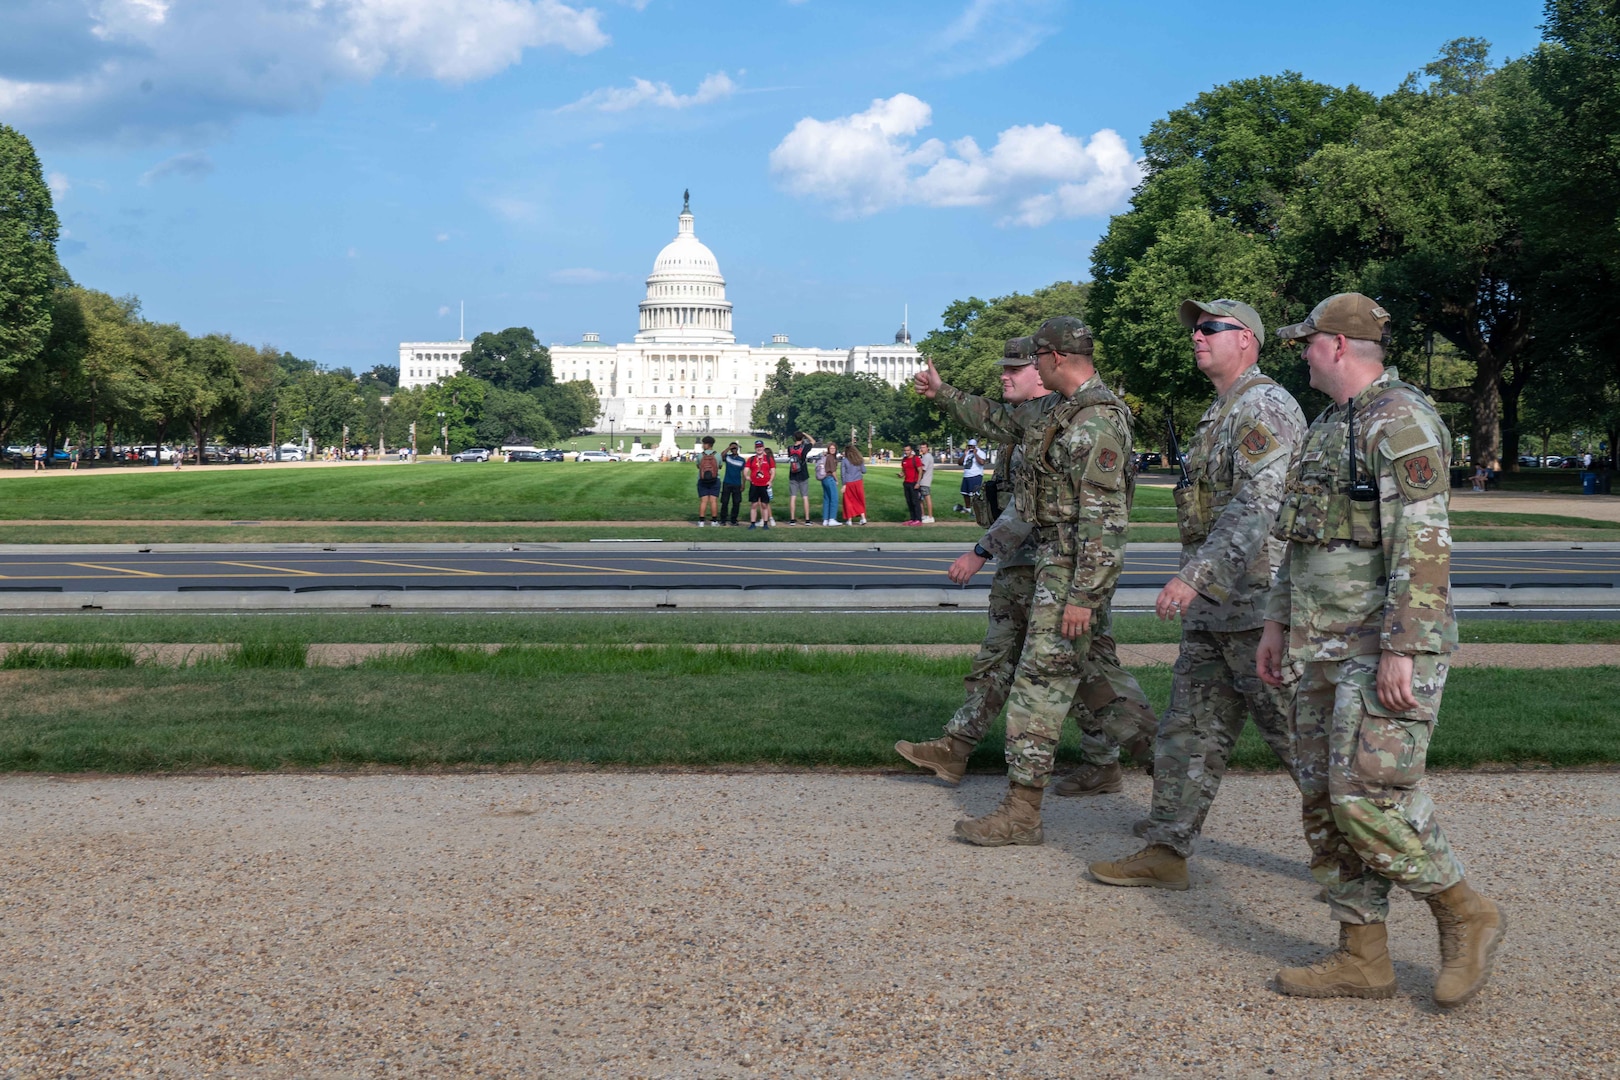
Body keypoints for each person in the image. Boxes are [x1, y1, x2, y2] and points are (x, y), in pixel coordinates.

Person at [1256, 293, 1504, 1008]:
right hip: (1319, 644)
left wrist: (1405, 648)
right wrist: (1278, 624)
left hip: (1382, 644)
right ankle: (1361, 956)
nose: (1301, 352)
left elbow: (1423, 542)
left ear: (1337, 345)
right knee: (1325, 806)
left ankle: (1464, 909)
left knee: (1367, 798)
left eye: (1308, 342)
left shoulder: (1401, 420)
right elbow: (1300, 541)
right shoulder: (1332, 424)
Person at [1088, 298, 1306, 893]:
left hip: (1260, 610)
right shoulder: (1221, 412)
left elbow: (1259, 503)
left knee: (1300, 741)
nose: (1198, 337)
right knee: (1187, 730)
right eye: (1196, 329)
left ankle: (1359, 857)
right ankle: (1166, 847)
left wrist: (1196, 574)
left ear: (1248, 342)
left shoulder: (1264, 406)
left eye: (1212, 329)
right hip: (1219, 611)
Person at [914, 316, 1140, 846]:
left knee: (1040, 688)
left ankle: (1025, 811)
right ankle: (1174, 764)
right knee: (1095, 683)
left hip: (1068, 573)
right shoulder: (1056, 411)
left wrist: (1083, 595)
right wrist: (944, 392)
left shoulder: (1095, 421)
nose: (1029, 366)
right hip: (1053, 568)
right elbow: (994, 418)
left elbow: (1105, 520)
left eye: (1034, 356)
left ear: (1055, 358)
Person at [746, 439, 775, 529]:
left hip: (764, 485)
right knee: (754, 504)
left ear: (763, 447)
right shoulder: (751, 459)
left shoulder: (768, 459)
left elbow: (773, 471)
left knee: (764, 504)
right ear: (755, 448)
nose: (759, 448)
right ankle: (752, 523)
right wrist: (746, 476)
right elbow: (746, 469)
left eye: (760, 447)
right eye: (757, 447)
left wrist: (770, 481)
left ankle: (765, 524)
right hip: (754, 484)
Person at [786, 432, 813, 526]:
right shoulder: (804, 447)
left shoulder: (790, 448)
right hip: (803, 474)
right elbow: (813, 441)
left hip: (793, 474)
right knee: (805, 497)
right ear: (802, 438)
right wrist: (806, 434)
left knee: (793, 497)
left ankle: (792, 519)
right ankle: (807, 520)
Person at [695, 436, 722, 527]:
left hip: (702, 480)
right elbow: (720, 466)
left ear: (706, 444)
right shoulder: (717, 455)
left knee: (704, 501)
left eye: (703, 443)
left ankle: (701, 521)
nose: (702, 445)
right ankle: (714, 521)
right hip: (715, 479)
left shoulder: (700, 455)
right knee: (713, 501)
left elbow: (698, 466)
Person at [719, 442, 747, 526]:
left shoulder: (741, 460)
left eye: (735, 448)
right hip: (727, 482)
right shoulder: (728, 457)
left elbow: (743, 473)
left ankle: (733, 520)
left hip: (737, 483)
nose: (734, 450)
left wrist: (743, 484)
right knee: (724, 502)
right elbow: (721, 456)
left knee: (736, 502)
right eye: (732, 449)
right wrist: (728, 448)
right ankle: (723, 519)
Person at [955, 440, 986, 513]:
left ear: (975, 446)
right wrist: (965, 454)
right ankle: (968, 508)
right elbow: (959, 463)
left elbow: (982, 462)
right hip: (967, 475)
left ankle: (977, 510)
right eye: (969, 446)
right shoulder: (967, 453)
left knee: (975, 494)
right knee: (965, 493)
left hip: (976, 475)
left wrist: (975, 454)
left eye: (971, 446)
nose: (970, 447)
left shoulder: (980, 452)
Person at [840, 443, 867, 525]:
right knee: (859, 500)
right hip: (858, 481)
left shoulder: (845, 461)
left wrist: (844, 484)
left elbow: (843, 474)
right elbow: (864, 471)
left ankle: (849, 520)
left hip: (849, 482)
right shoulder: (859, 460)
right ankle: (863, 518)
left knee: (849, 501)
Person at [817, 442, 841, 526]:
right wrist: (837, 480)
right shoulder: (831, 457)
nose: (832, 450)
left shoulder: (826, 456)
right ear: (828, 449)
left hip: (824, 479)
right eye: (831, 448)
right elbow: (833, 471)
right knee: (834, 499)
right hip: (830, 478)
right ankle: (832, 519)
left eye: (834, 448)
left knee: (826, 499)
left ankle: (825, 519)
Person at [900, 445, 923, 525]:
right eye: (905, 450)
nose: (906, 452)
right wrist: (901, 474)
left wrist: (918, 482)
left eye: (908, 450)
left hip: (914, 482)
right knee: (909, 501)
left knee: (915, 501)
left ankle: (918, 519)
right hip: (906, 482)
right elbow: (904, 471)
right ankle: (912, 518)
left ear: (911, 450)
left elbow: (920, 471)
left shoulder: (915, 459)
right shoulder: (904, 460)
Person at [918, 442, 936, 522]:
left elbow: (923, 470)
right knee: (920, 499)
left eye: (924, 447)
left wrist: (918, 480)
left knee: (926, 498)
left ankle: (930, 516)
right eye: (921, 447)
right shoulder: (924, 456)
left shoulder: (927, 457)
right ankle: (923, 515)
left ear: (927, 448)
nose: (922, 449)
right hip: (923, 481)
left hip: (924, 481)